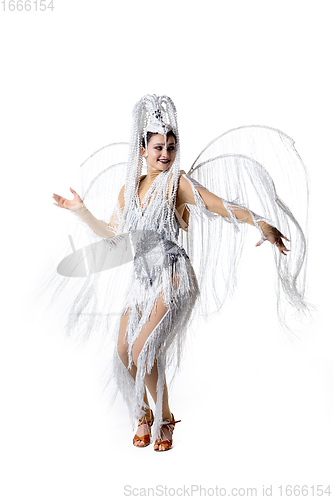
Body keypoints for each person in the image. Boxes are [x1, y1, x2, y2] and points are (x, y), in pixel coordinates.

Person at [52, 94, 307, 452]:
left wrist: (260, 221)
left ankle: (165, 418)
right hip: (143, 279)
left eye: (171, 147)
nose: (165, 155)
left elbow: (220, 205)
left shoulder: (177, 183)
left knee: (145, 350)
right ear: (143, 149)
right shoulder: (130, 189)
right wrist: (81, 211)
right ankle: (142, 414)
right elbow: (113, 237)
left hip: (173, 275)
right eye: (158, 147)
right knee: (124, 350)